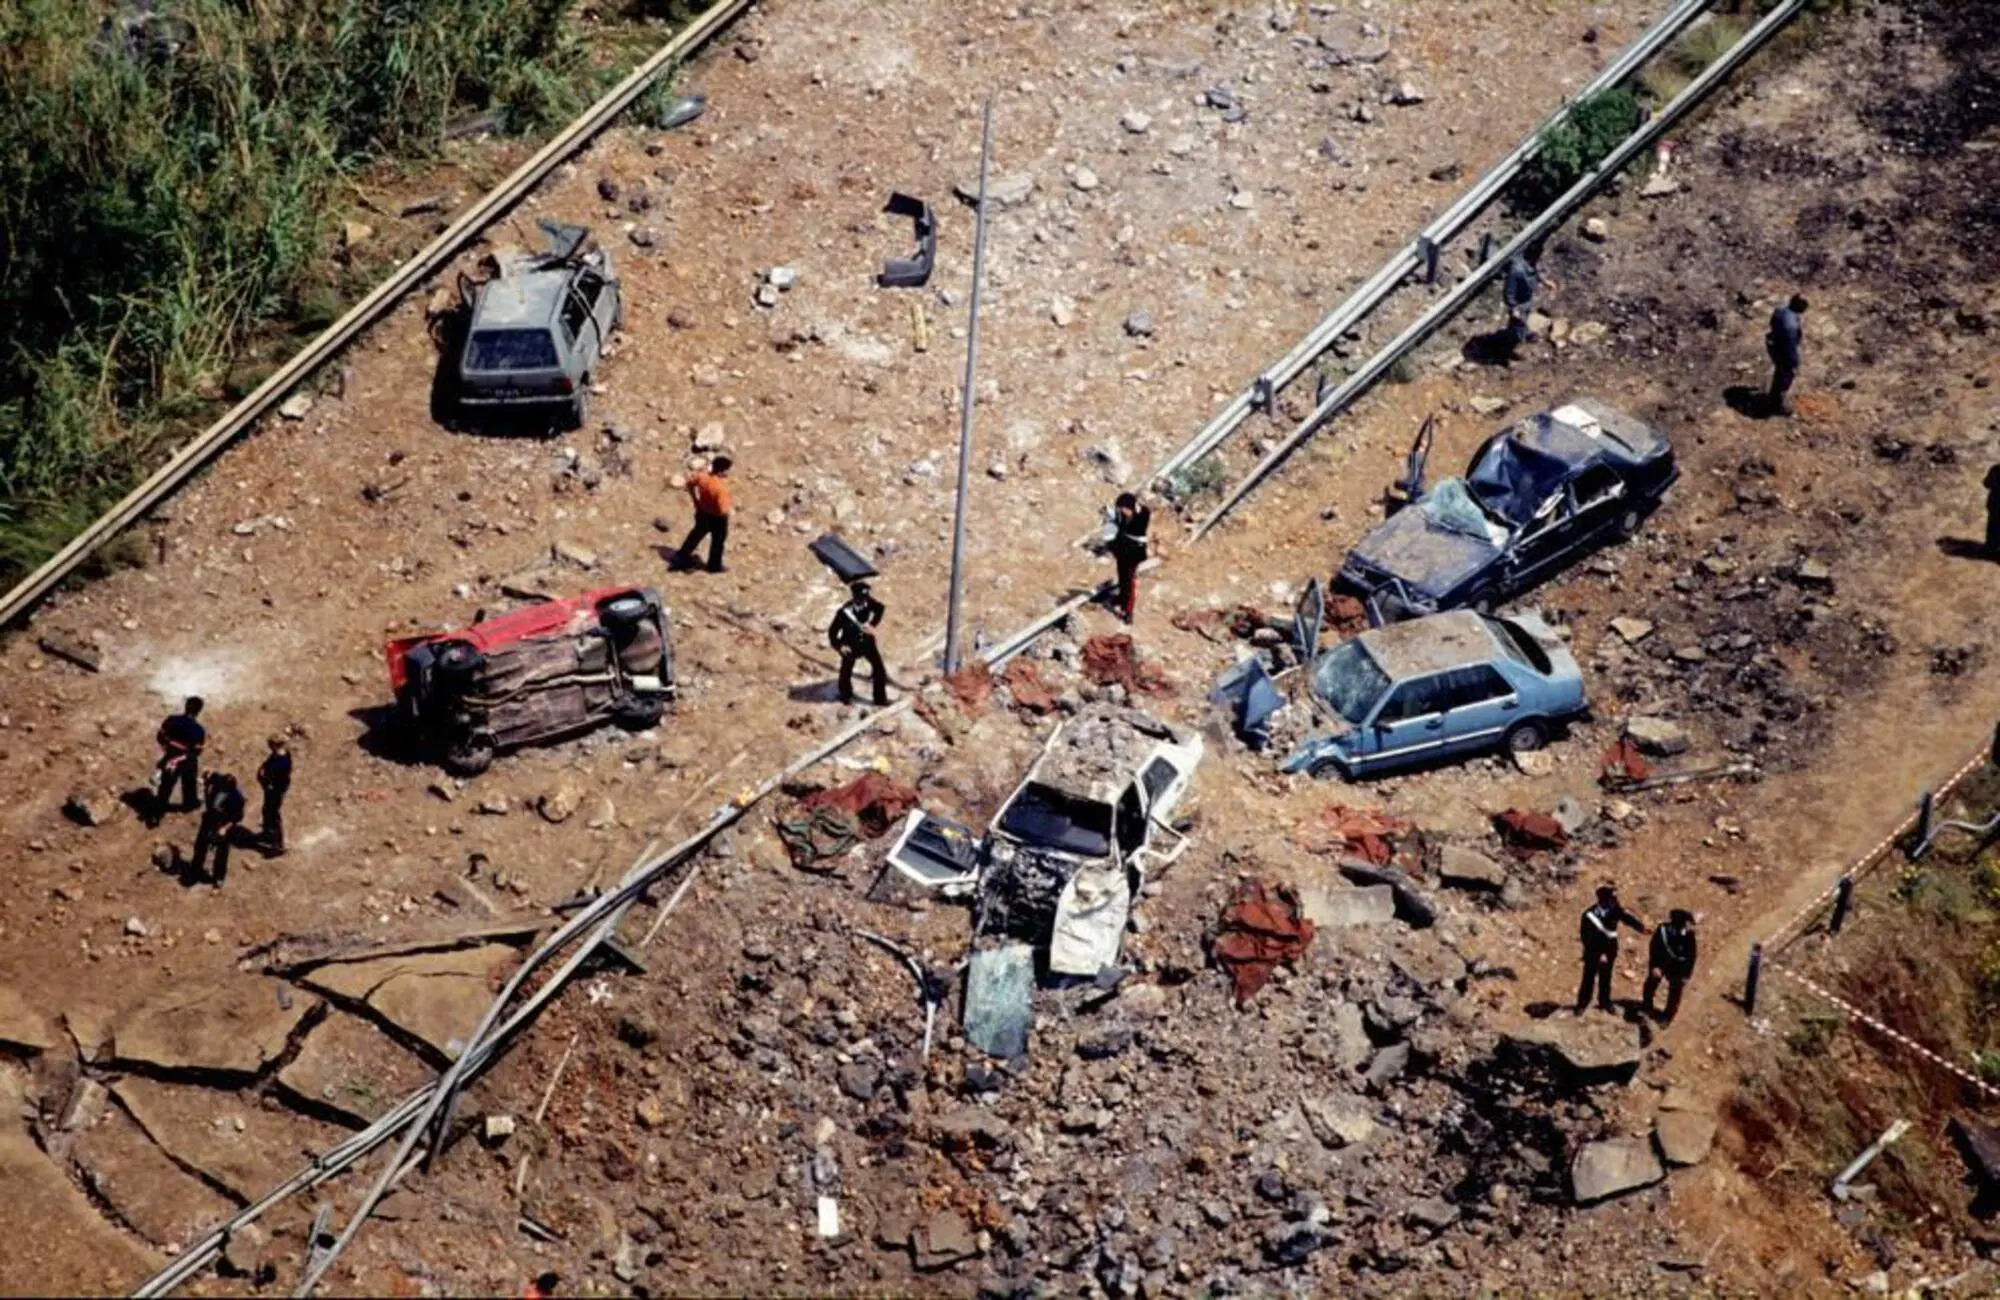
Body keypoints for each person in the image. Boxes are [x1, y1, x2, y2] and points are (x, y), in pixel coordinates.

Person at [1575, 884, 1645, 1014]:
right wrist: (1599, 954)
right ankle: (1582, 1004)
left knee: (1606, 978)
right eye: (1609, 900)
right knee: (1588, 978)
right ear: (1602, 900)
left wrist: (1641, 928)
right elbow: (1587, 937)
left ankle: (1605, 1002)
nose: (1613, 902)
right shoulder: (1589, 915)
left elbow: (1626, 918)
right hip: (1593, 953)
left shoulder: (1614, 909)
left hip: (1610, 950)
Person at [828, 580, 889, 707]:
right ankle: (845, 695)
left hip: (867, 643)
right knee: (846, 672)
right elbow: (832, 632)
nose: (863, 601)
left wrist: (872, 624)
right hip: (850, 645)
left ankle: (880, 700)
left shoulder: (869, 603)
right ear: (855, 597)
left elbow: (880, 608)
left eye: (865, 598)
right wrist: (840, 646)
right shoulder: (844, 612)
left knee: (879, 670)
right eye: (860, 598)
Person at [150, 696, 207, 826]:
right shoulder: (198, 730)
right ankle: (190, 803)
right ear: (199, 711)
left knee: (165, 787)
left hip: (170, 757)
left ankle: (156, 815)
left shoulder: (172, 720)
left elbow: (160, 736)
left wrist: (169, 748)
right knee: (189, 782)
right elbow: (197, 750)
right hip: (187, 759)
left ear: (186, 706)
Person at [673, 455, 733, 573]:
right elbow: (723, 509)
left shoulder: (703, 477)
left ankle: (682, 554)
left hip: (702, 512)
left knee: (696, 534)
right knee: (718, 542)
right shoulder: (720, 488)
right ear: (722, 470)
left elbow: (690, 484)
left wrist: (696, 500)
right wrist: (729, 511)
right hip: (717, 518)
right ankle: (714, 566)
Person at [1642, 909, 1699, 1024]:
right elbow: (1654, 948)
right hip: (1662, 962)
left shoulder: (1688, 936)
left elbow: (1691, 956)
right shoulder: (1663, 930)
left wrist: (1686, 974)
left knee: (1675, 993)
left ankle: (1667, 1016)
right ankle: (1647, 1006)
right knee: (1651, 984)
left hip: (1678, 968)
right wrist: (1655, 966)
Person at [190, 771, 246, 885]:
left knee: (222, 852)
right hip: (209, 819)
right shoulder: (217, 779)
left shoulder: (237, 799)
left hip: (223, 823)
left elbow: (237, 818)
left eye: (224, 789)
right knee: (200, 845)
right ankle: (195, 869)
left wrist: (225, 828)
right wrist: (204, 784)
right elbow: (207, 774)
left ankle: (219, 877)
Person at [1108, 491, 1151, 623]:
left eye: (1125, 509)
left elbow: (1144, 512)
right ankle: (1121, 598)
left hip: (1134, 553)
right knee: (1122, 577)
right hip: (1123, 551)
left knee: (1129, 583)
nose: (1123, 511)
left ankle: (1128, 611)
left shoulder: (1142, 516)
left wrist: (1138, 506)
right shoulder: (1122, 516)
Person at [1766, 294, 1807, 417]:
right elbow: (1790, 348)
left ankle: (1773, 397)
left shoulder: (1780, 310)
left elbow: (1772, 323)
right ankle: (1776, 404)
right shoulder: (1791, 326)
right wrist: (1794, 362)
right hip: (1784, 352)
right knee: (1785, 376)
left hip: (1774, 344)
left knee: (1779, 372)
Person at [256, 735, 292, 857]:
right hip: (274, 789)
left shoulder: (281, 761)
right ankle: (268, 834)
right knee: (267, 811)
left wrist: (265, 781)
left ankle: (279, 844)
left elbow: (277, 779)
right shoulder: (281, 754)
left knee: (273, 814)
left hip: (275, 791)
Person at [1984, 464, 2000, 556]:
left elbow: (1986, 484)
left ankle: (1991, 548)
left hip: (1994, 504)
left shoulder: (1996, 468)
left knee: (1993, 527)